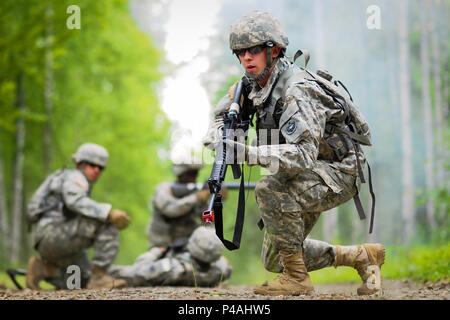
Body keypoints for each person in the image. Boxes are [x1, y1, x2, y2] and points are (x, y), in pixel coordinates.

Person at [203, 11, 385, 296]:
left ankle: (298, 279)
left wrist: (247, 153)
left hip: (339, 171)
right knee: (276, 258)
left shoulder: (296, 89)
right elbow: (218, 118)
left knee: (268, 189)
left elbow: (303, 155)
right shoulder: (251, 86)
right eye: (240, 52)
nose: (246, 58)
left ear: (273, 50)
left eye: (253, 49)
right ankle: (362, 256)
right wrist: (219, 137)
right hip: (307, 173)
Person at [25, 143, 131, 290]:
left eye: (101, 168)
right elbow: (75, 201)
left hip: (51, 241)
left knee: (81, 278)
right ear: (80, 164)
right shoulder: (75, 177)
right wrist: (108, 212)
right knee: (107, 223)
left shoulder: (66, 178)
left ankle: (43, 269)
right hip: (53, 234)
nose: (97, 170)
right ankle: (99, 277)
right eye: (93, 165)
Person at [109, 226, 232, 287]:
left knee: (113, 271)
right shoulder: (221, 270)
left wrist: (156, 252)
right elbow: (225, 263)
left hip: (125, 276)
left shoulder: (176, 269)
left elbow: (140, 271)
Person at [147, 163, 227, 248]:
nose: (195, 177)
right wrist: (196, 198)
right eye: (192, 173)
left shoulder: (195, 192)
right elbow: (171, 210)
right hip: (160, 246)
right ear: (181, 174)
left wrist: (216, 200)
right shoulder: (164, 189)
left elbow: (207, 220)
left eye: (196, 173)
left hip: (187, 246)